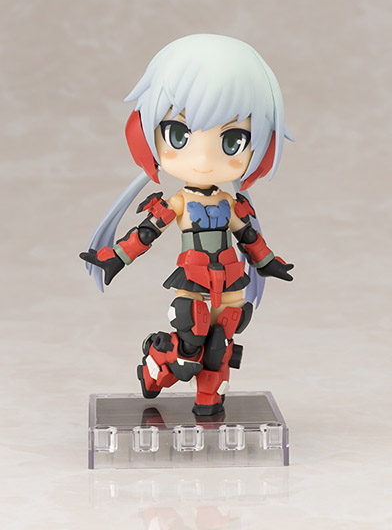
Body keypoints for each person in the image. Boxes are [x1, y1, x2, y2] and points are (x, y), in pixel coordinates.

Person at [80, 34, 294, 416]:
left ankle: (209, 401)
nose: (203, 159)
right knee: (190, 345)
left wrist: (267, 262)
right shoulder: (178, 202)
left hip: (231, 282)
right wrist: (115, 257)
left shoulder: (231, 203)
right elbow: (146, 232)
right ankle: (158, 360)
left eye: (232, 141)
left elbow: (248, 236)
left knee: (221, 345)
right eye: (179, 136)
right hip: (193, 281)